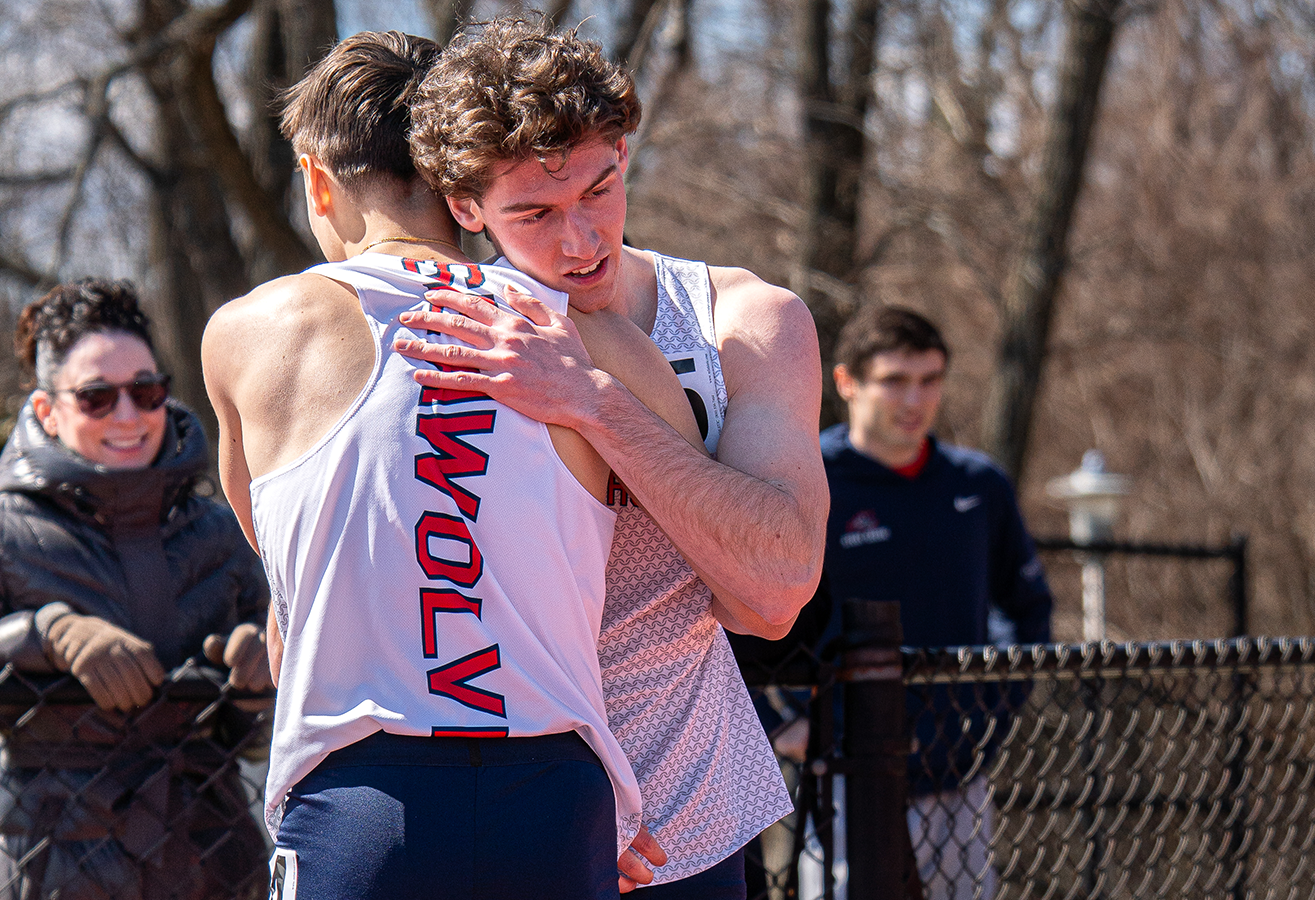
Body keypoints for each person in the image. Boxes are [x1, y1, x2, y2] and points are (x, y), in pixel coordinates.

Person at [202, 31, 703, 899]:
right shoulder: (593, 339)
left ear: (316, 177)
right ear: (463, 181)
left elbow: (288, 584)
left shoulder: (251, 332)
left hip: (365, 799)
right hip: (555, 795)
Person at [400, 16, 830, 896]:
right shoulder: (417, 339)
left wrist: (593, 403)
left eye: (598, 190)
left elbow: (777, 591)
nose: (581, 240)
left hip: (688, 818)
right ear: (464, 207)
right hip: (510, 806)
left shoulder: (743, 322)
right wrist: (566, 797)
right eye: (535, 213)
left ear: (625, 154)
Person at [0, 278, 272, 900]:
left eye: (146, 392)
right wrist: (44, 637)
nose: (128, 416)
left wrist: (255, 682)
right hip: (55, 878)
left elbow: (251, 742)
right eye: (96, 397)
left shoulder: (222, 531)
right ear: (46, 409)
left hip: (214, 869)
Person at [811, 305, 1052, 898]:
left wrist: (990, 711)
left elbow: (1025, 610)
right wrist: (789, 721)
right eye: (894, 380)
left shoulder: (979, 485)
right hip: (846, 775)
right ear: (847, 383)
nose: (914, 399)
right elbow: (751, 615)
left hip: (959, 776)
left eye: (929, 380)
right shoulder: (806, 477)